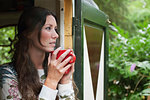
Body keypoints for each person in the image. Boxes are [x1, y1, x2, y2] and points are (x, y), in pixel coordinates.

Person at [0, 7, 77, 100]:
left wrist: (65, 81)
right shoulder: (7, 74)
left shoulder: (55, 69)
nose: (56, 35)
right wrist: (52, 81)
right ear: (28, 33)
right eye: (48, 28)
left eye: (55, 29)